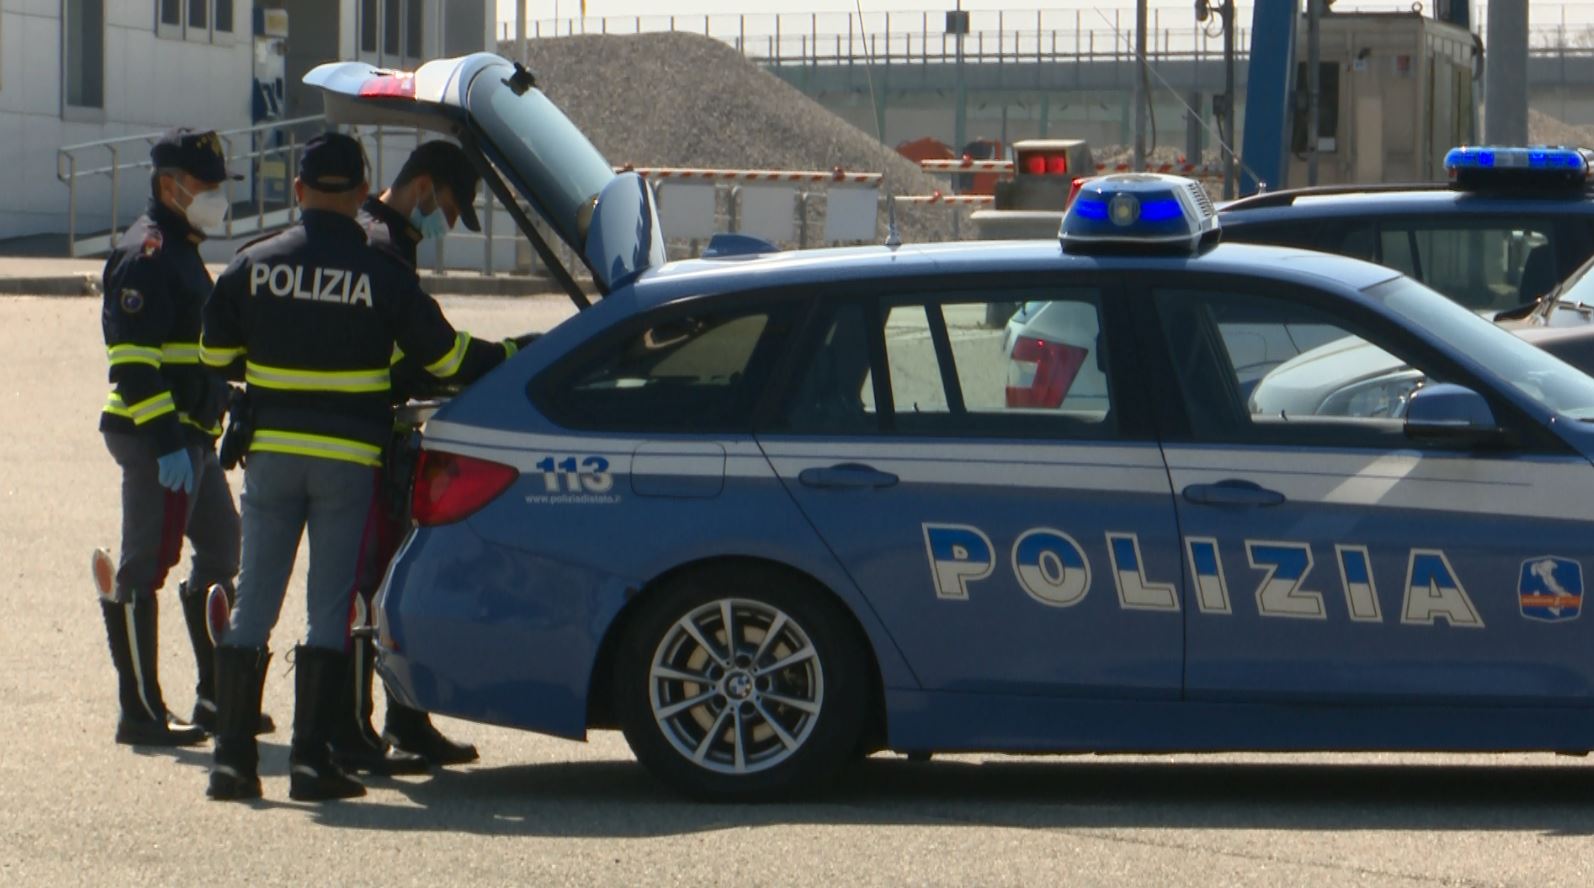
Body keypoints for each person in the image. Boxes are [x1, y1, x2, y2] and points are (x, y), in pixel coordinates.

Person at [199, 133, 511, 802]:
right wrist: (515, 354)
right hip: (347, 462)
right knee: (330, 607)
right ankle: (312, 765)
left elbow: (213, 353)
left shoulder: (254, 264)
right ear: (362, 189)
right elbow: (446, 361)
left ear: (300, 191)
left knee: (255, 600)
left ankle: (231, 763)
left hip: (273, 457)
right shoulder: (382, 273)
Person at [329, 140, 490, 775]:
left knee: (389, 585)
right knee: (361, 590)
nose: (447, 222)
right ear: (423, 186)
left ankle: (401, 719)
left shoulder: (390, 239)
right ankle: (351, 730)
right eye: (448, 207)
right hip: (361, 444)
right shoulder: (380, 246)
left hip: (382, 439)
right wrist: (507, 359)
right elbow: (434, 352)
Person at [96, 128, 242, 747]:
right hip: (154, 437)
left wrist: (227, 401)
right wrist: (164, 445)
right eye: (203, 186)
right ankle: (142, 710)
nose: (214, 197)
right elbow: (132, 364)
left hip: (192, 438)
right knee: (143, 567)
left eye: (216, 186)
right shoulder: (147, 253)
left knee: (221, 547)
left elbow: (192, 354)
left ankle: (214, 694)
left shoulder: (183, 248)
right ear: (168, 186)